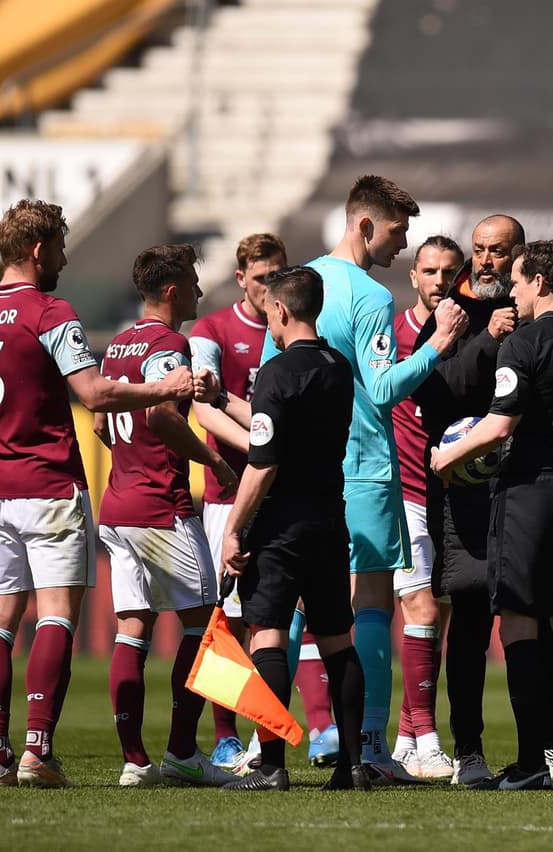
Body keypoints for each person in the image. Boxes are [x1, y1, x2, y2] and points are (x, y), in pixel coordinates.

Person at [0, 201, 197, 789]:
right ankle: (36, 751)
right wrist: (165, 384)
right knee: (55, 617)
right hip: (49, 486)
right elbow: (95, 395)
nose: (65, 259)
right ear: (38, 251)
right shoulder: (51, 312)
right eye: (61, 248)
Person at [262, 175, 468, 782]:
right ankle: (372, 745)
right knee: (368, 606)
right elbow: (381, 388)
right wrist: (439, 346)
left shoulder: (295, 286)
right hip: (366, 469)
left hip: (300, 472)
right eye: (399, 233)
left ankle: (270, 740)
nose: (401, 246)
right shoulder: (371, 297)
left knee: (289, 609)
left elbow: (272, 382)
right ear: (367, 225)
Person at [432, 239, 553, 792]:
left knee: (516, 620)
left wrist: (448, 456)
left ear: (540, 281)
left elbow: (498, 426)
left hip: (526, 495)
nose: (511, 290)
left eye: (517, 280)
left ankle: (533, 762)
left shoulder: (524, 343)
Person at [190, 234, 340, 771]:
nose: (266, 288)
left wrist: (260, 451)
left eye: (275, 277)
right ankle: (233, 736)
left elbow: (268, 438)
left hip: (267, 501)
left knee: (270, 624)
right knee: (243, 621)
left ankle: (288, 747)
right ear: (242, 280)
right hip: (272, 501)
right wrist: (243, 421)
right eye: (259, 276)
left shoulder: (280, 358)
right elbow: (215, 413)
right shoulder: (212, 333)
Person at [95, 243, 241, 789]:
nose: (202, 292)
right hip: (162, 508)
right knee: (207, 628)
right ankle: (182, 751)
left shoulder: (117, 346)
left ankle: (135, 762)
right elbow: (160, 416)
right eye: (194, 283)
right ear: (174, 291)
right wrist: (215, 464)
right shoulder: (170, 343)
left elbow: (101, 423)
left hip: (117, 506)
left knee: (133, 629)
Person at [217, 266, 368, 792]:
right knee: (337, 643)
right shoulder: (338, 367)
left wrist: (234, 530)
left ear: (280, 310)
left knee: (268, 638)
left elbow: (264, 460)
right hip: (329, 517)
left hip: (280, 523)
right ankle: (352, 766)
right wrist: (222, 400)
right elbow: (280, 420)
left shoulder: (277, 372)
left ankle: (272, 765)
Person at [406, 217, 541, 786]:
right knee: (467, 621)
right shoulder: (450, 315)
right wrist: (488, 341)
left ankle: (543, 750)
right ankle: (470, 750)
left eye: (497, 252)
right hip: (463, 495)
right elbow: (435, 393)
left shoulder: (537, 311)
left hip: (526, 490)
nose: (485, 261)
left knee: (535, 619)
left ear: (518, 257)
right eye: (480, 250)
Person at [389, 235, 462, 780]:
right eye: (429, 271)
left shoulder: (474, 331)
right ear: (413, 276)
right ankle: (430, 740)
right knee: (422, 612)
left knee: (440, 613)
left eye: (448, 272)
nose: (438, 280)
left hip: (457, 496)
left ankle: (407, 738)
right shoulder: (390, 333)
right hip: (405, 492)